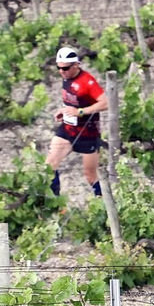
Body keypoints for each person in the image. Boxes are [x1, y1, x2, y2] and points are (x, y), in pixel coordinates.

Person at [45, 46, 108, 197]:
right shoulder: (66, 78)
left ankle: (105, 207)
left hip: (87, 134)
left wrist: (79, 112)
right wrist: (64, 111)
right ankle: (54, 205)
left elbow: (106, 103)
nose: (61, 72)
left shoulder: (87, 81)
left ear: (76, 65)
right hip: (67, 130)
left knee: (90, 176)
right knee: (49, 167)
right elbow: (73, 102)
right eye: (59, 68)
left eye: (65, 68)